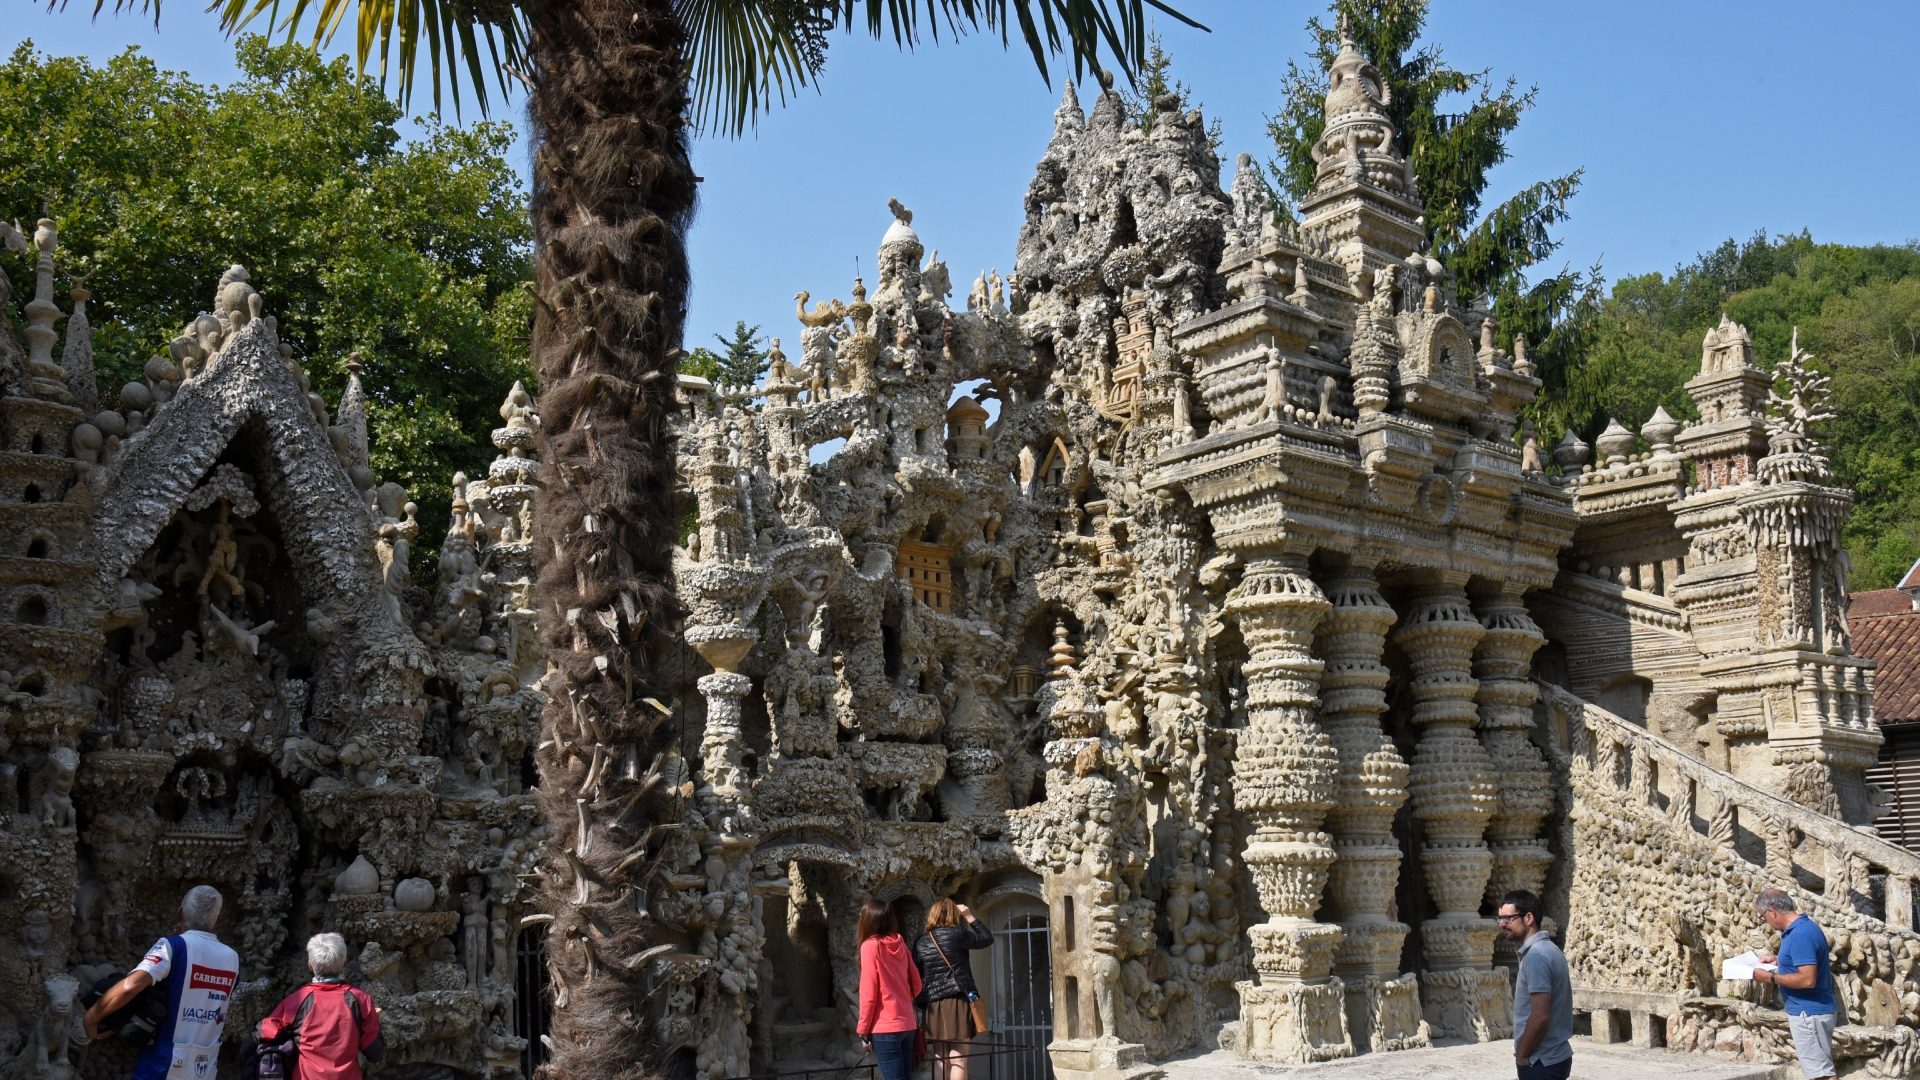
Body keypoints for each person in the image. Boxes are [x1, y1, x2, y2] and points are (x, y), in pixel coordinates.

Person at [83, 885, 242, 1080]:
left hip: (166, 1063)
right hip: (206, 1066)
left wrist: (91, 1018)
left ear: (180, 913)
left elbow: (130, 985)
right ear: (218, 919)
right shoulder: (233, 959)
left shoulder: (174, 946)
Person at [258, 932, 385, 1080]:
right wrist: (375, 1021)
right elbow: (375, 1054)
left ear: (310, 965)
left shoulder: (296, 1001)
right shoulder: (361, 1000)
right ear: (345, 963)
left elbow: (266, 1030)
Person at [1753, 888, 1836, 1080]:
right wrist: (1778, 961)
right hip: (1811, 1011)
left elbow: (1807, 979)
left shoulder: (1800, 935)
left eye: (1763, 916)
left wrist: (1770, 978)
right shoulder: (1802, 928)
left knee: (1821, 1075)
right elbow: (1804, 962)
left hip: (1809, 1013)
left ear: (1772, 911)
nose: (1764, 921)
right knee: (1820, 1071)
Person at [911, 899, 993, 1080]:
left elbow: (916, 974)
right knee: (959, 1057)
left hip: (932, 1005)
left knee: (940, 1057)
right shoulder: (957, 934)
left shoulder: (921, 941)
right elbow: (986, 938)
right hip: (956, 1001)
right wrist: (968, 915)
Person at [1498, 890, 1571, 1080]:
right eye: (1500, 919)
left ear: (1529, 918)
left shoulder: (1536, 957)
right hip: (1554, 1056)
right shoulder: (1551, 949)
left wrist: (1521, 1055)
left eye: (1508, 918)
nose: (1502, 924)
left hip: (1540, 1060)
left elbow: (1540, 1015)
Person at [856, 899, 922, 1080]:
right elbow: (917, 984)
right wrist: (902, 999)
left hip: (885, 1027)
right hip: (908, 1024)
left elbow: (869, 993)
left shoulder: (870, 946)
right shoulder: (901, 944)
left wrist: (863, 1029)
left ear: (868, 920)